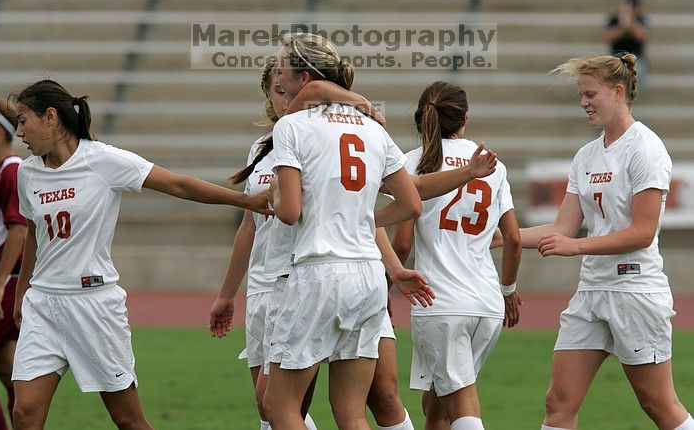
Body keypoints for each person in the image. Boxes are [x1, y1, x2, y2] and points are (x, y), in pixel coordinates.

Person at [9, 79, 271, 430]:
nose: (19, 131)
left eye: (23, 120)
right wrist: (23, 292)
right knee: (24, 413)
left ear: (51, 117)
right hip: (44, 304)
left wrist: (244, 200)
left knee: (129, 420)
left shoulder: (103, 161)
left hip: (93, 306)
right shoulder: (27, 173)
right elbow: (33, 233)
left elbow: (177, 184)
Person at [261, 32, 428, 430]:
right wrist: (365, 219)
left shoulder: (291, 127)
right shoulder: (372, 127)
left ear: (303, 78)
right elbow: (411, 205)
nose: (277, 76)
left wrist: (273, 195)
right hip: (369, 275)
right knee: (351, 412)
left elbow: (289, 213)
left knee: (280, 408)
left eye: (283, 67)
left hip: (318, 272)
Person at [521, 54, 693, 430]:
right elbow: (563, 228)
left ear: (618, 92)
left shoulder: (645, 148)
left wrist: (577, 247)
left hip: (635, 291)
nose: (583, 102)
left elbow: (642, 233)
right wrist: (501, 237)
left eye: (589, 93)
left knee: (657, 404)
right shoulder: (586, 155)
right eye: (581, 95)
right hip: (591, 291)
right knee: (558, 402)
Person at [391, 81, 521, 430]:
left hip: (441, 303)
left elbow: (402, 243)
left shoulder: (411, 162)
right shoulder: (493, 163)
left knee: (462, 402)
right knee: (436, 405)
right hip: (487, 301)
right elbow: (512, 237)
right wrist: (508, 291)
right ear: (465, 118)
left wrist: (387, 283)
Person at [0, 100, 26, 430]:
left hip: (5, 280)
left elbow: (18, 228)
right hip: (5, 279)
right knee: (7, 366)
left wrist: (0, 282)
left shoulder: (13, 170)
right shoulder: (2, 171)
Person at [604, 0, 648, 88]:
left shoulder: (641, 19)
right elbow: (608, 38)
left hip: (635, 59)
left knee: (637, 74)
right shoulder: (614, 20)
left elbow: (642, 37)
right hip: (616, 57)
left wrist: (631, 25)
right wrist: (621, 27)